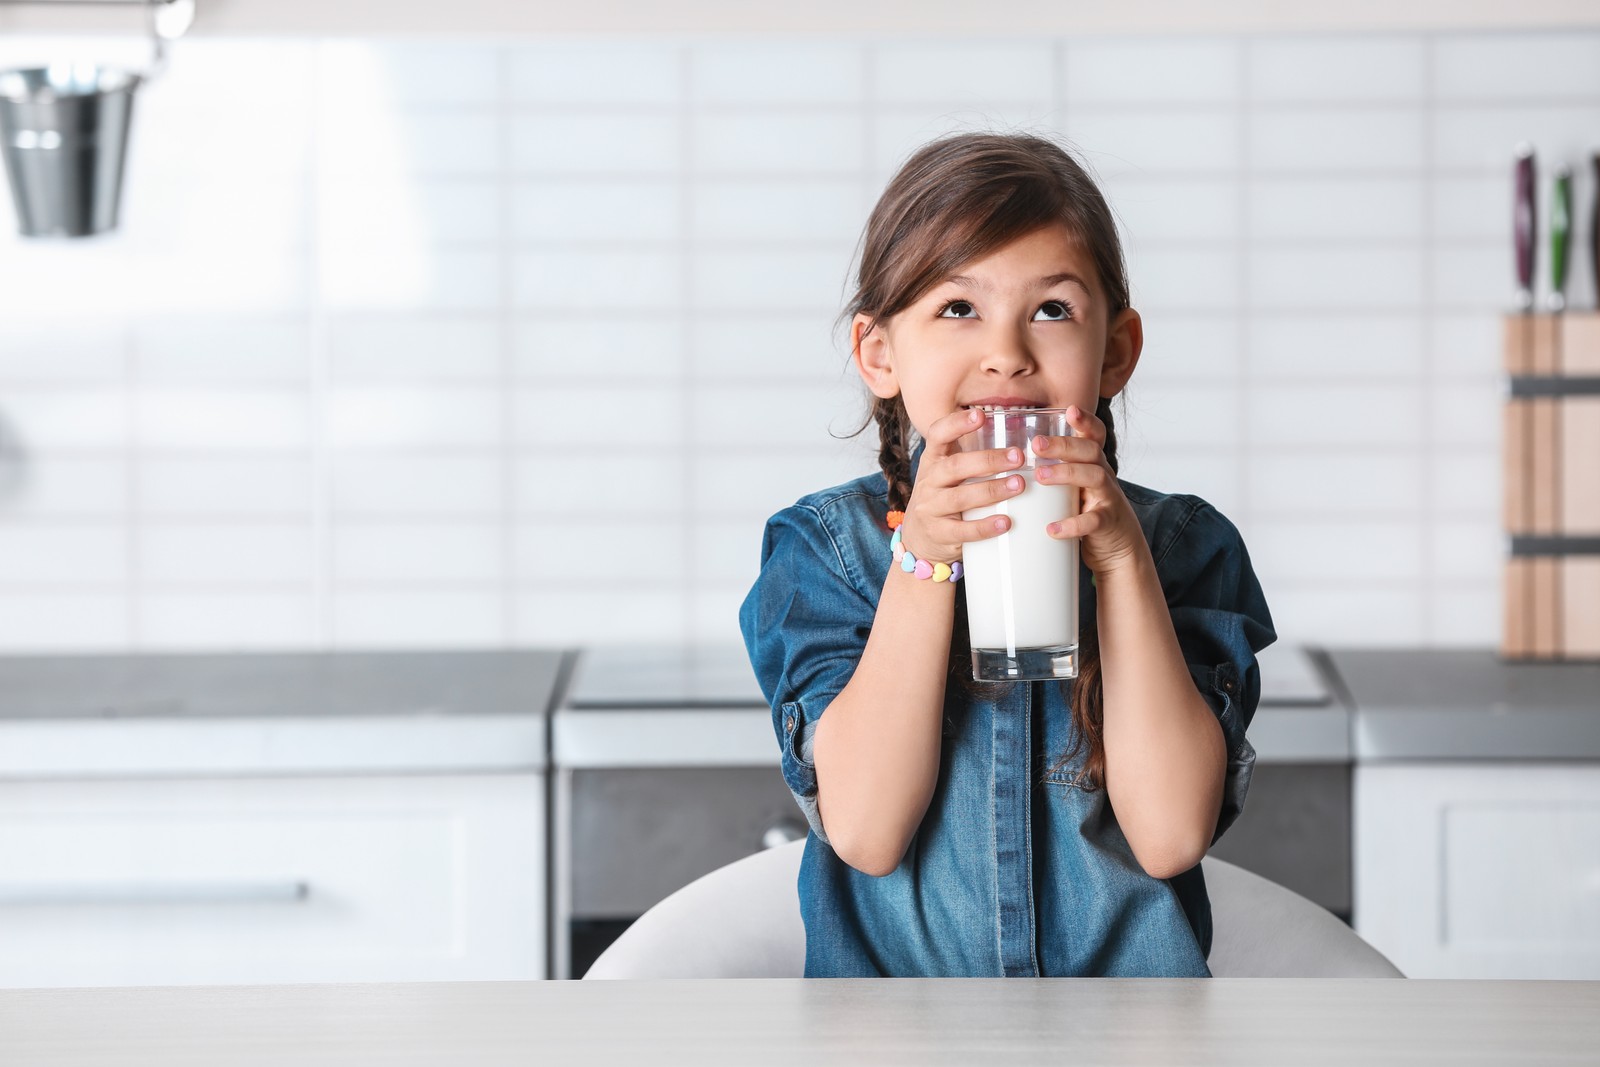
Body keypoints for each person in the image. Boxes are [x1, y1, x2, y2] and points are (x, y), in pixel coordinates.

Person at [738, 132, 1276, 978]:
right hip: (895, 1041)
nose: (1007, 353)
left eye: (1052, 310)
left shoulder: (1182, 549)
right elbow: (869, 832)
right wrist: (920, 559)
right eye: (958, 308)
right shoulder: (827, 552)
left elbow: (1171, 835)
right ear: (880, 352)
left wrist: (1124, 565)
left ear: (1117, 351)